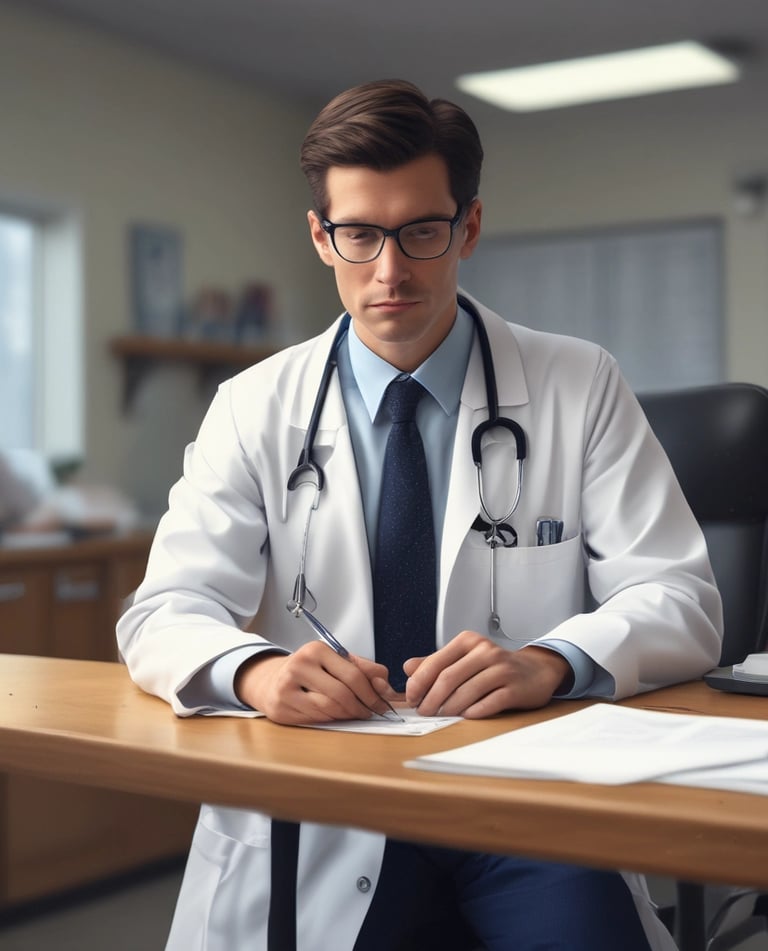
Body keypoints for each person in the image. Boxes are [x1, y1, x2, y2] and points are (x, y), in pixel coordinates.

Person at [117, 79, 723, 951]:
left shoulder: (577, 384)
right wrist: (253, 672)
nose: (389, 270)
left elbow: (681, 596)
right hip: (334, 794)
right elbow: (164, 610)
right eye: (359, 235)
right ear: (322, 237)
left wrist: (555, 660)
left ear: (468, 227)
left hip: (524, 794)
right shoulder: (253, 406)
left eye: (421, 232)